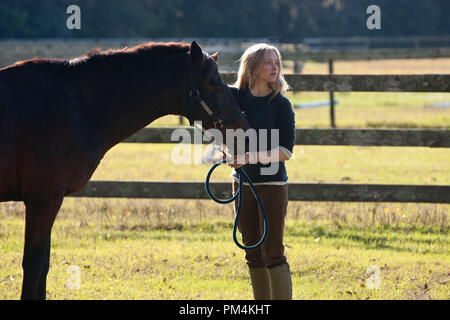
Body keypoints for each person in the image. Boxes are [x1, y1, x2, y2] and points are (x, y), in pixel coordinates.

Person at [226, 43, 296, 300]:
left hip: (272, 187)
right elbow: (215, 124)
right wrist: (223, 147)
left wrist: (249, 157)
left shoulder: (281, 105)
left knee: (273, 251)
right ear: (253, 66)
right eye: (268, 62)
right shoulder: (234, 98)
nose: (274, 67)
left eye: (276, 62)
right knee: (251, 250)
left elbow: (285, 151)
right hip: (241, 185)